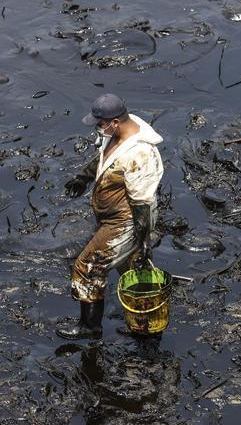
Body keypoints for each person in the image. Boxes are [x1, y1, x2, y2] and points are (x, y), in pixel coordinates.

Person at [56, 93, 164, 340]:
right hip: (114, 216)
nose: (97, 128)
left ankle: (89, 327)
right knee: (132, 270)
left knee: (88, 267)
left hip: (127, 221)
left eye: (100, 123)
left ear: (115, 122)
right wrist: (83, 177)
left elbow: (141, 203)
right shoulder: (119, 132)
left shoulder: (141, 154)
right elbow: (106, 158)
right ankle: (145, 327)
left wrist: (144, 240)